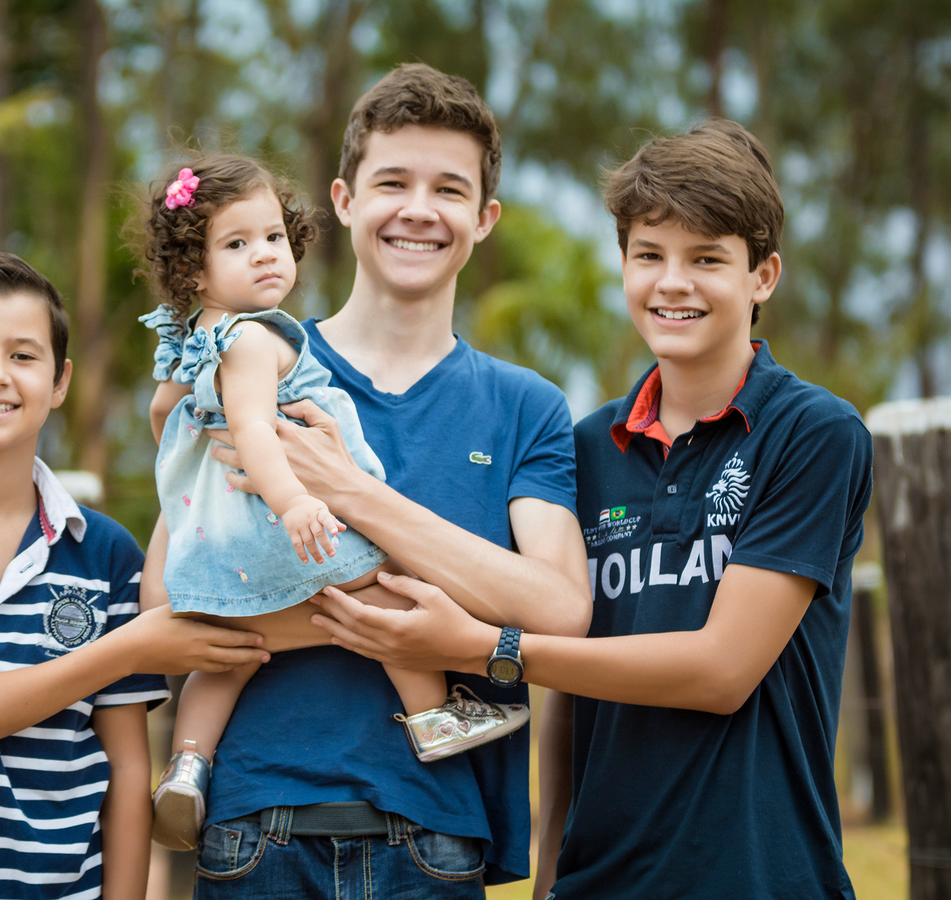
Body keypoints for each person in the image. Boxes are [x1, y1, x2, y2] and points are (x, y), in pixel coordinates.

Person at [310, 120, 873, 900]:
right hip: (597, 881)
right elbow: (571, 706)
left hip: (761, 875)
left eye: (707, 259)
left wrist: (487, 648)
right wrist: (548, 874)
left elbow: (720, 671)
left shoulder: (813, 433)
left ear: (763, 276)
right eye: (650, 256)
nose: (672, 283)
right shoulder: (588, 444)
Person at [141, 64, 593, 898]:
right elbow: (168, 603)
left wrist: (351, 493)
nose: (418, 208)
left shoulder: (526, 406)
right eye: (393, 181)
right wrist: (399, 619)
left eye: (448, 189)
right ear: (346, 200)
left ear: (484, 218)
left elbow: (561, 612)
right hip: (255, 828)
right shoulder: (251, 366)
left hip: (438, 836)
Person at [0, 253, 268, 900]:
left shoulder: (107, 552)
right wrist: (133, 648)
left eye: (23, 356)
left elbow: (125, 768)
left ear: (60, 382)